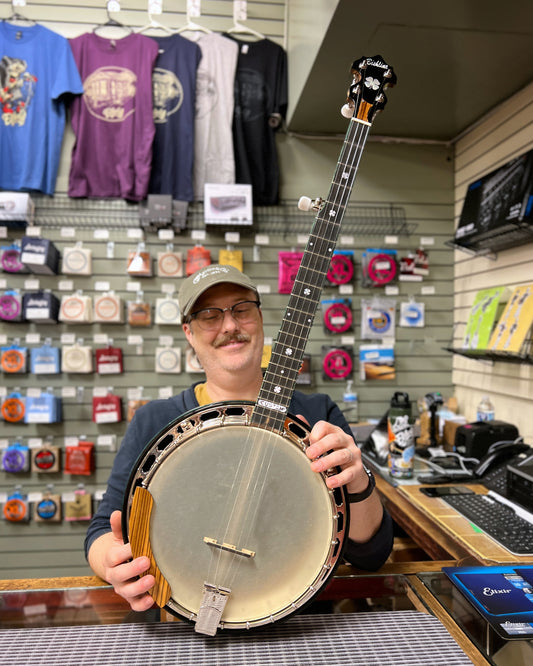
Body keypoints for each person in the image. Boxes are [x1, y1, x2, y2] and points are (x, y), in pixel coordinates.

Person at [85, 264, 394, 612]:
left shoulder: (317, 413)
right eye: (209, 315)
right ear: (188, 332)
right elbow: (101, 532)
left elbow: (372, 555)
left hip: (300, 624)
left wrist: (357, 481)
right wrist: (113, 563)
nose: (230, 326)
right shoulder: (154, 420)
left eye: (241, 309)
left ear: (260, 318)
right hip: (184, 622)